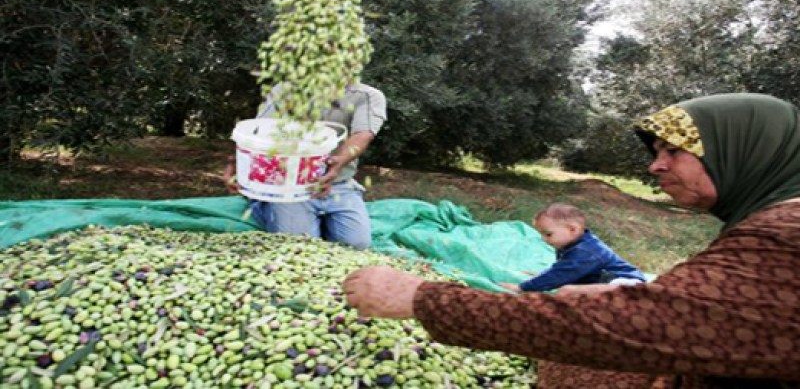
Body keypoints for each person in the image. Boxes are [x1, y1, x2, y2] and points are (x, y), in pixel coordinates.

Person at [342, 93, 800, 387]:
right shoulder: (770, 218)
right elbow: (714, 315)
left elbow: (624, 328)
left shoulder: (784, 236)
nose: (654, 167)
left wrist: (422, 299)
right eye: (656, 153)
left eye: (673, 152)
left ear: (743, 150)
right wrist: (631, 294)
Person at [225, 82, 386, 249]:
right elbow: (260, 133)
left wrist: (337, 163)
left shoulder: (366, 95)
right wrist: (239, 163)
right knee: (299, 246)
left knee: (357, 245)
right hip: (289, 186)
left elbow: (363, 134)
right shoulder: (286, 90)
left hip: (340, 185)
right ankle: (263, 202)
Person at [500, 203, 645, 293]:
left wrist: (522, 287)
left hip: (626, 284)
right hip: (605, 282)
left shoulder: (586, 252)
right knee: (571, 289)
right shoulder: (571, 244)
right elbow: (560, 269)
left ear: (572, 229)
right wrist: (541, 275)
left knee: (567, 291)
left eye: (548, 234)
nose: (544, 239)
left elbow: (559, 275)